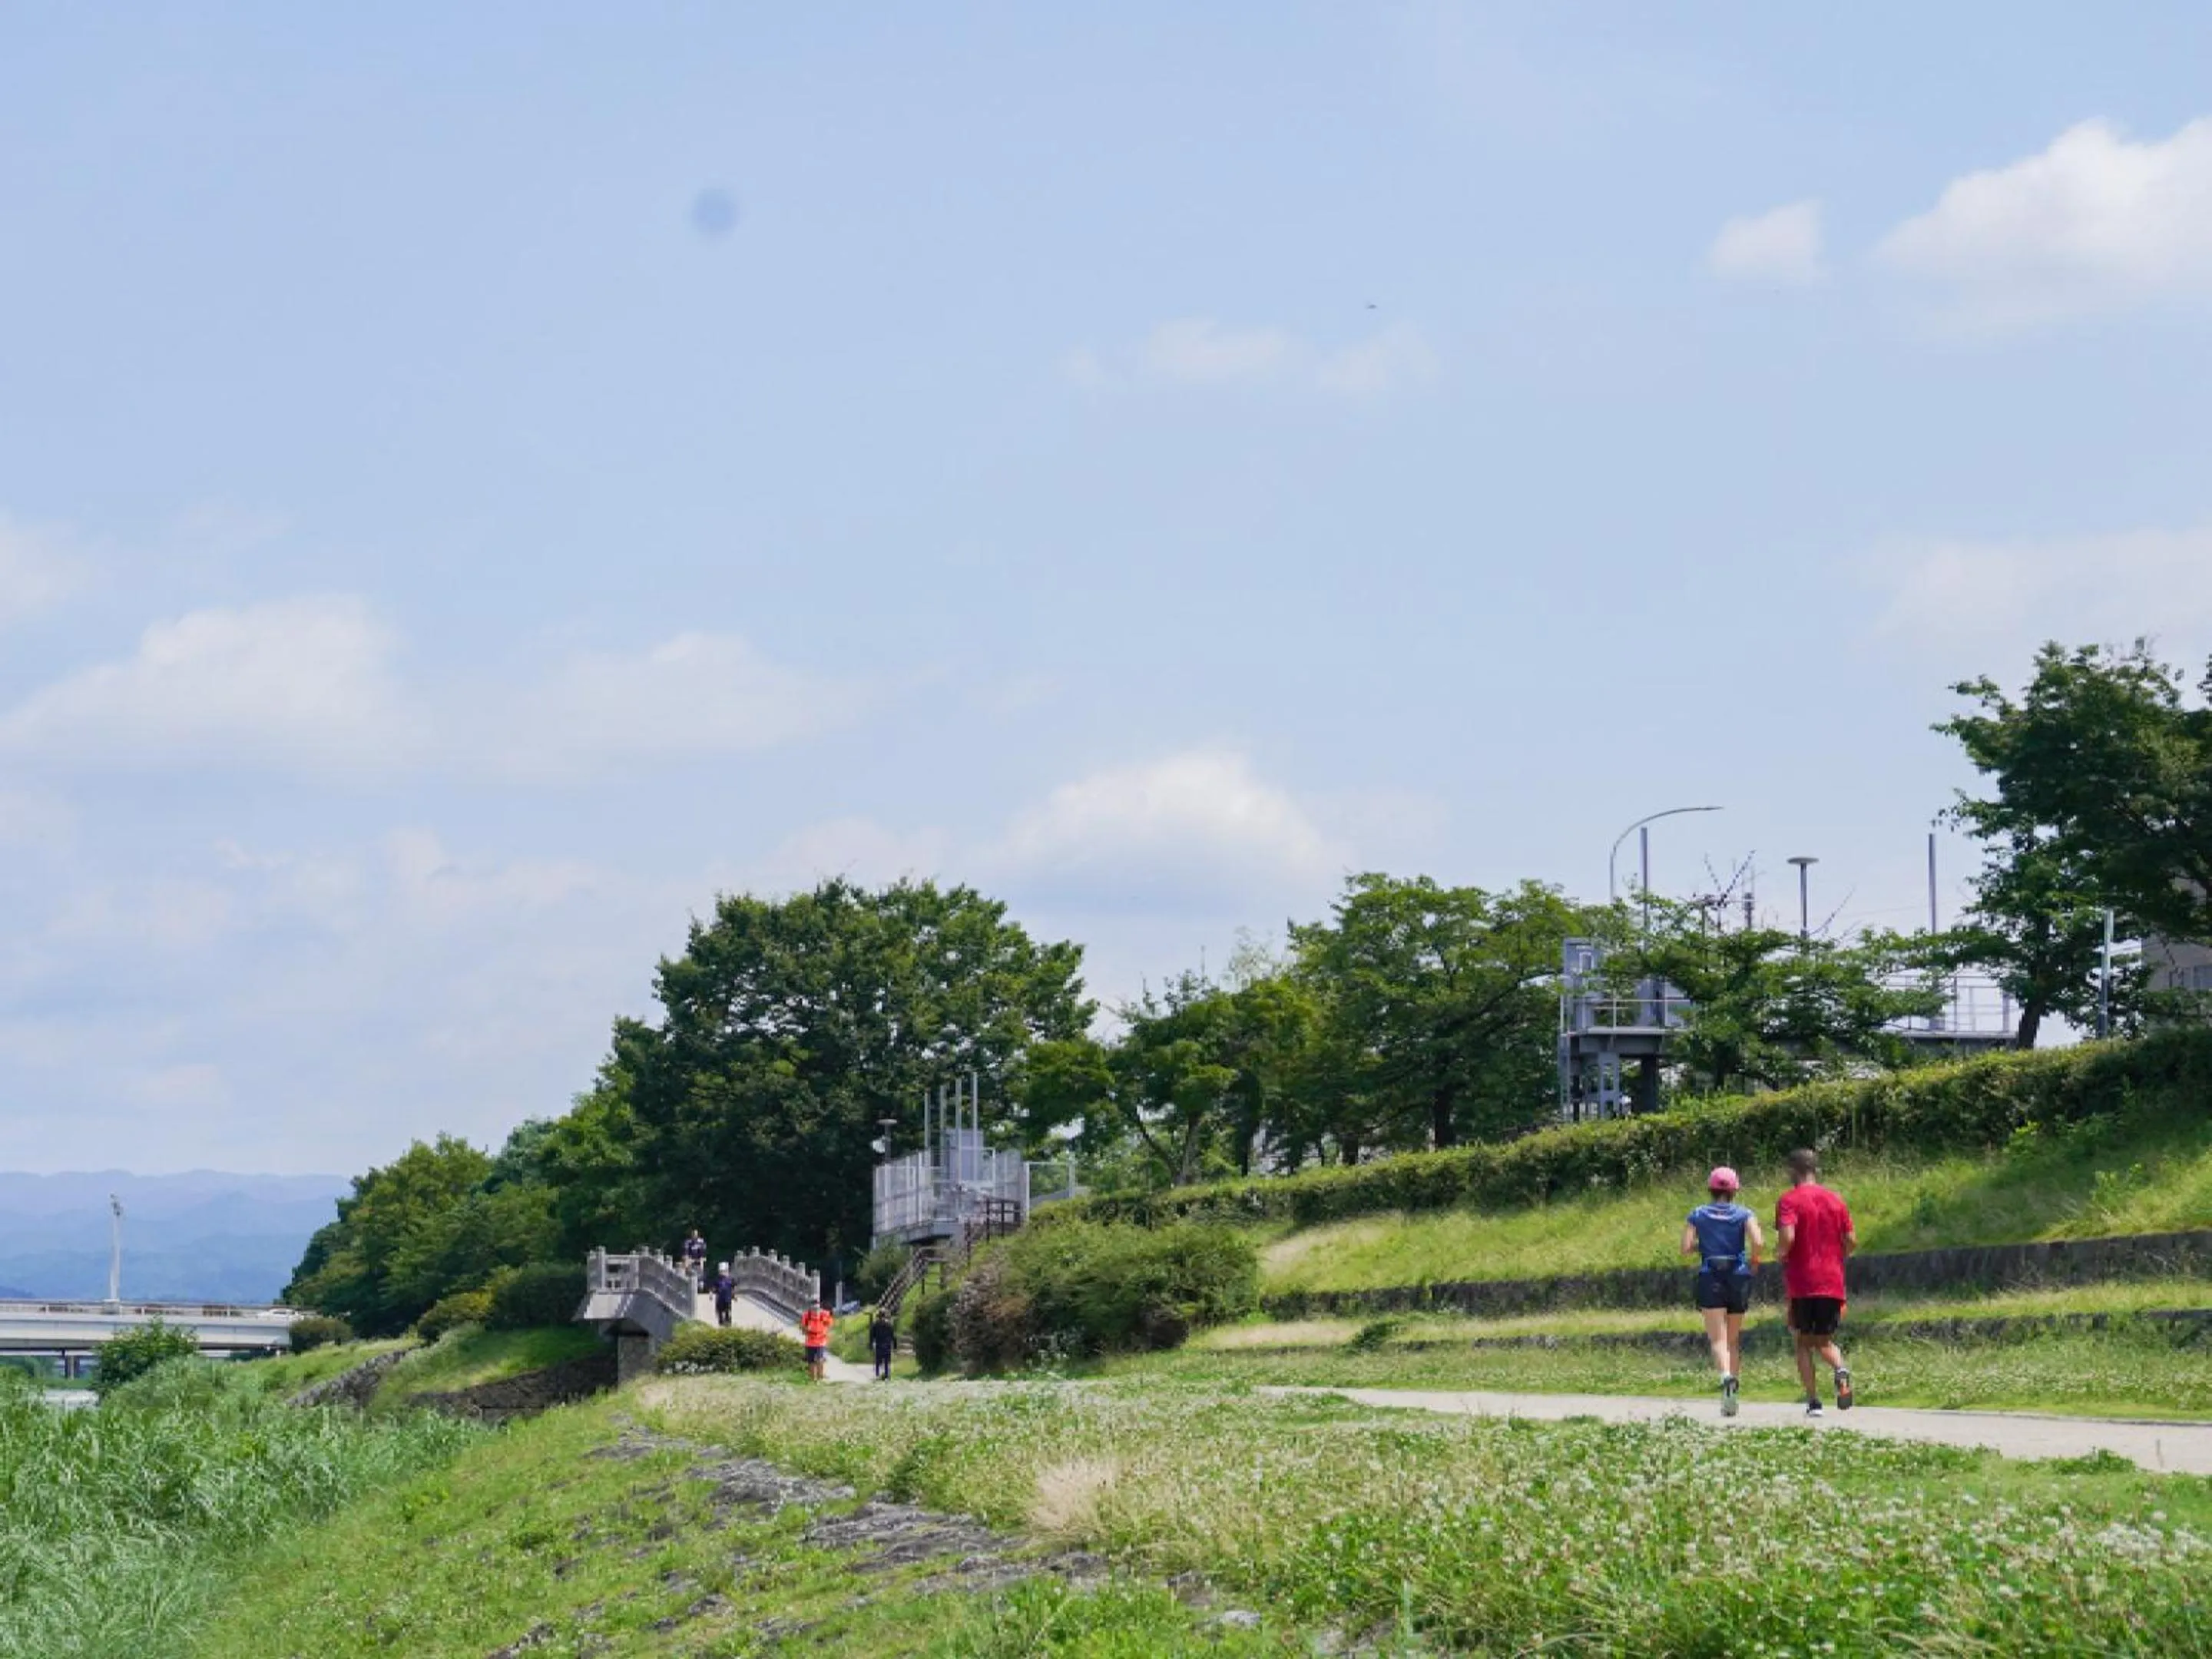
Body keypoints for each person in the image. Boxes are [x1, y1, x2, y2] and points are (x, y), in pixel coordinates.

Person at [1776, 1147, 1856, 1417]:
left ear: (1792, 1171)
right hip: (1832, 1281)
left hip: (1803, 1283)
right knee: (1824, 1340)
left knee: (1802, 1343)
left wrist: (1781, 1253)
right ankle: (1840, 1369)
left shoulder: (1789, 1200)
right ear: (1815, 1169)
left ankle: (1814, 1402)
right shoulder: (1835, 1200)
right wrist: (1837, 1257)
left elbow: (1788, 1236)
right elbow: (1851, 1240)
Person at [1681, 1165, 1763, 1417]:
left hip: (1711, 1276)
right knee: (1733, 1340)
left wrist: (1701, 1246)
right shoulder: (1744, 1213)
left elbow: (1685, 1248)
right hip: (1738, 1276)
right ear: (1735, 1189)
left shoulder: (1698, 1214)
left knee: (1718, 1339)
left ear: (1711, 1188)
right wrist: (1755, 1261)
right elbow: (1758, 1242)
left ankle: (1726, 1376)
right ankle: (1733, 1396)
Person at [800, 1297, 834, 1382]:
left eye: (817, 1307)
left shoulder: (824, 1314)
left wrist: (824, 1332)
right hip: (810, 1342)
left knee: (820, 1359)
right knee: (811, 1361)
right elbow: (803, 1328)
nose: (815, 1309)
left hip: (820, 1341)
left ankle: (820, 1377)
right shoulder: (806, 1315)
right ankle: (813, 1379)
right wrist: (807, 1331)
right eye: (814, 1307)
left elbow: (829, 1324)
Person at [869, 1307, 896, 1381]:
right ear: (884, 1316)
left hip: (879, 1344)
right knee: (887, 1361)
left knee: (878, 1360)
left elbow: (872, 1335)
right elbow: (893, 1335)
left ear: (878, 1316)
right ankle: (887, 1375)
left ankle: (878, 1374)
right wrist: (895, 1345)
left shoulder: (875, 1324)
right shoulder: (889, 1324)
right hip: (887, 1345)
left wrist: (871, 1344)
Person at [683, 1227, 708, 1291]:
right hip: (690, 1260)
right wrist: (687, 1262)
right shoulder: (688, 1242)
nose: (695, 1236)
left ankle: (700, 1283)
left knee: (701, 1284)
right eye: (693, 1234)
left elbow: (703, 1254)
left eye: (696, 1234)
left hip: (699, 1260)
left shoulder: (701, 1242)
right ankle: (689, 1283)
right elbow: (686, 1253)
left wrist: (701, 1262)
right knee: (688, 1270)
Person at [711, 1263, 736, 1327]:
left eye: (725, 1271)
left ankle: (728, 1321)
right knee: (720, 1311)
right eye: (721, 1271)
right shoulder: (717, 1280)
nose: (723, 1273)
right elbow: (714, 1288)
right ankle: (721, 1322)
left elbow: (733, 1289)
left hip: (728, 1298)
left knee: (728, 1310)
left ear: (728, 1271)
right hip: (720, 1299)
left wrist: (734, 1296)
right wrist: (711, 1294)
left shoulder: (730, 1280)